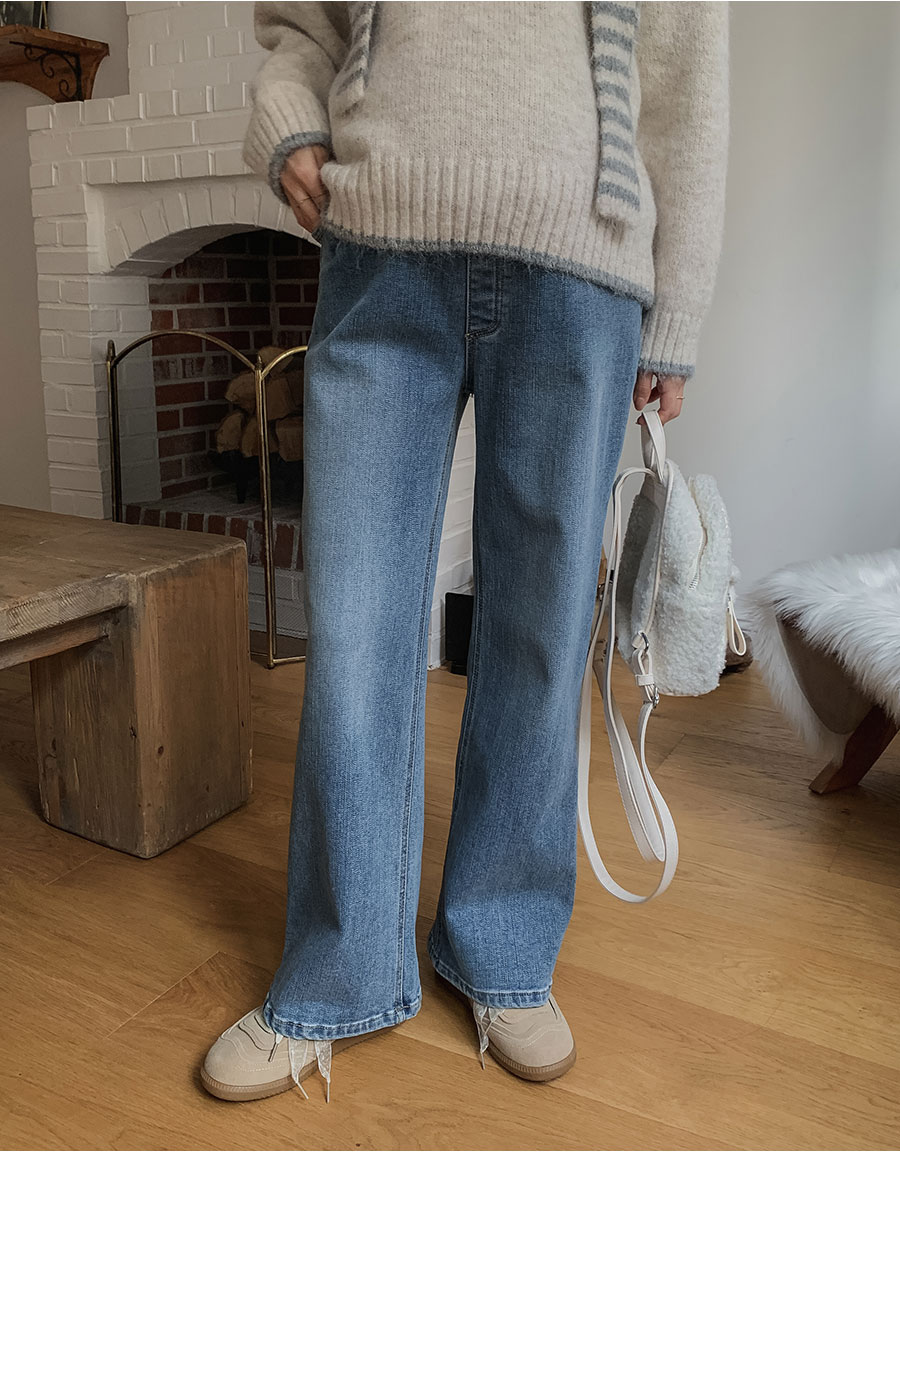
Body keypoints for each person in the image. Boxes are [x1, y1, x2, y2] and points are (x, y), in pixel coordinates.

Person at [201, 0, 729, 1103]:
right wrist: (292, 121)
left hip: (583, 262)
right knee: (353, 624)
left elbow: (688, 80)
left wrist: (678, 313)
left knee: (541, 630)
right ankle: (338, 972)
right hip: (383, 242)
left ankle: (503, 950)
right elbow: (301, 20)